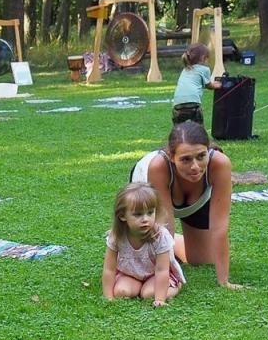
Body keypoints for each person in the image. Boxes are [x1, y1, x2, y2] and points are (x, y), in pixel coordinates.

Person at [131, 120, 242, 289]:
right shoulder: (158, 167)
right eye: (186, 160)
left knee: (203, 260)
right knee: (147, 256)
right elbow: (164, 226)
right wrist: (168, 274)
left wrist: (224, 281)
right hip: (149, 196)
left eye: (201, 156)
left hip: (195, 203)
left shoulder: (220, 164)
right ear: (171, 156)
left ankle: (177, 244)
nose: (195, 167)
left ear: (208, 150)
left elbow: (219, 226)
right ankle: (143, 239)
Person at [103, 182, 183, 307]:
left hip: (155, 274)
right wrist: (108, 297)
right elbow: (109, 268)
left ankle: (176, 286)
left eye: (150, 212)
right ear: (122, 216)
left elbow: (162, 270)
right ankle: (139, 285)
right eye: (138, 214)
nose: (145, 219)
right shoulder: (117, 236)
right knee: (121, 292)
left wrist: (160, 299)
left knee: (148, 294)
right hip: (130, 273)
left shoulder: (160, 236)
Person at [171, 43, 217, 126]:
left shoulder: (185, 70)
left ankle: (178, 138)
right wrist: (218, 85)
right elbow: (209, 85)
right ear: (203, 58)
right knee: (198, 128)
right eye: (207, 58)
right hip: (193, 104)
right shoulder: (204, 69)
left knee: (178, 129)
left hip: (177, 104)